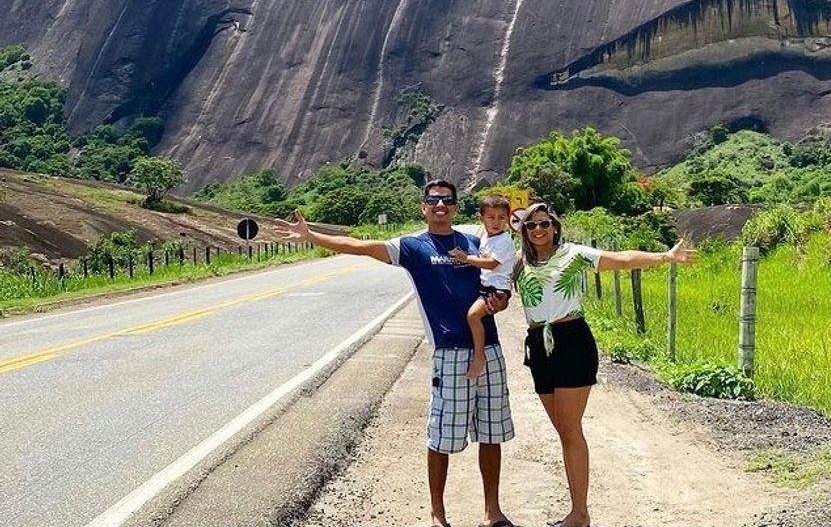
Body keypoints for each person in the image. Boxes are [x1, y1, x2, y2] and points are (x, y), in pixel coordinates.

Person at [272, 179, 515, 527]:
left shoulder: (476, 242)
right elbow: (358, 245)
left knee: (491, 433)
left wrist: (502, 302)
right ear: (424, 207)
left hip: (488, 346)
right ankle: (438, 513)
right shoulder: (413, 246)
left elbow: (501, 276)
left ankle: (493, 511)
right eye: (433, 200)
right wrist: (313, 237)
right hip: (448, 353)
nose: (440, 205)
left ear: (456, 207)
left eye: (447, 200)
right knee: (441, 436)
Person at [514, 202, 696, 527]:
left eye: (544, 223)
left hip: (571, 341)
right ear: (524, 232)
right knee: (563, 431)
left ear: (555, 226)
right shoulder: (520, 264)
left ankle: (579, 514)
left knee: (570, 430)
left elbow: (622, 260)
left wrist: (667, 256)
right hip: (538, 345)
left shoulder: (572, 254)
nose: (538, 229)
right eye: (531, 225)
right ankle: (577, 511)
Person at [449, 193, 518, 380]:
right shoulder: (487, 238)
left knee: (473, 316)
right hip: (487, 287)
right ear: (482, 218)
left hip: (496, 290)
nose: (496, 222)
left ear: (508, 218)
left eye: (501, 217)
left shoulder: (504, 240)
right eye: (491, 217)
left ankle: (480, 357)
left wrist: (466, 259)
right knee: (473, 315)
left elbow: (491, 263)